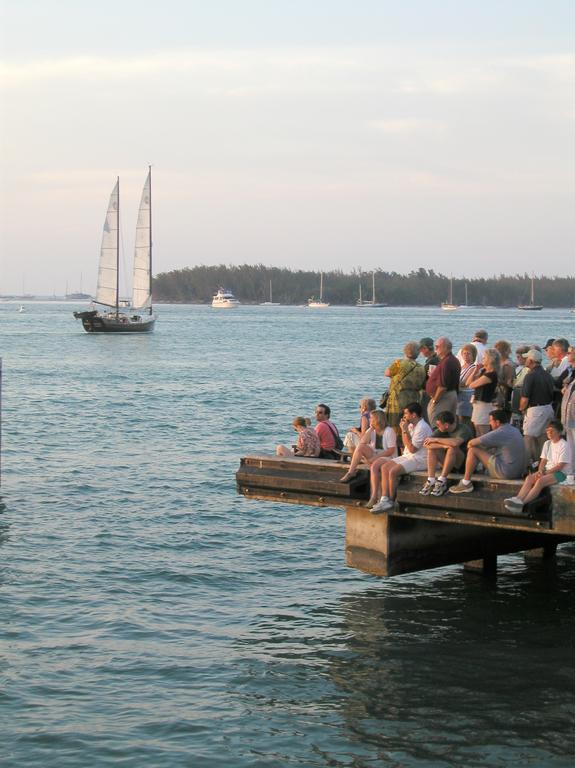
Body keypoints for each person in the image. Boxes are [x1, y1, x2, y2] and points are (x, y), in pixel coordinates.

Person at [369, 402, 433, 512]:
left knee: (393, 471)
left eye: (406, 414)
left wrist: (404, 430)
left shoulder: (422, 427)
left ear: (414, 415)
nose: (404, 416)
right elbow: (406, 445)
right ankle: (384, 499)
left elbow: (413, 448)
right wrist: (404, 430)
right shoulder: (411, 425)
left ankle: (391, 501)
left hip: (420, 458)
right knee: (385, 467)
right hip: (408, 455)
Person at [449, 409, 525, 493]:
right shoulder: (514, 430)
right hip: (518, 472)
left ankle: (465, 483)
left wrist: (472, 447)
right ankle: (477, 470)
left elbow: (471, 443)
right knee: (485, 449)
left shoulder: (500, 432)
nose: (489, 423)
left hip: (506, 472)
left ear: (497, 422)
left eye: (491, 421)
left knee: (473, 450)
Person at [504, 420, 573, 512]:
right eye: (548, 430)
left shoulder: (564, 445)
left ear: (559, 432)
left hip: (561, 474)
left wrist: (544, 473)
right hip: (547, 471)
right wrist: (540, 471)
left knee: (540, 481)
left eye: (552, 431)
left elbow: (560, 466)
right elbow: (543, 461)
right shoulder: (547, 444)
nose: (549, 433)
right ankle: (518, 499)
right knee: (529, 478)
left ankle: (521, 504)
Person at [418, 411, 474, 496]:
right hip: (448, 462)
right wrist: (444, 446)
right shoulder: (440, 430)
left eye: (439, 425)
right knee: (432, 450)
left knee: (452, 448)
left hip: (462, 464)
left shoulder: (463, 429)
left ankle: (442, 480)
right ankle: (431, 479)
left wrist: (437, 440)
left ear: (446, 425)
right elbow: (426, 444)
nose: (437, 427)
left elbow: (456, 443)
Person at [519, 349, 555, 466]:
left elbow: (525, 398)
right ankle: (542, 465)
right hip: (548, 408)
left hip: (535, 410)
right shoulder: (547, 375)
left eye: (526, 358)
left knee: (528, 438)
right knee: (542, 439)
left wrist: (521, 409)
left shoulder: (530, 376)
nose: (525, 360)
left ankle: (525, 466)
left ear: (531, 360)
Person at [339, 410, 397, 482]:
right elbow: (363, 442)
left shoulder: (389, 431)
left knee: (374, 463)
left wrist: (375, 457)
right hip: (375, 454)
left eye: (371, 418)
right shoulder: (372, 430)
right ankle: (351, 472)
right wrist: (371, 429)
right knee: (361, 447)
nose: (369, 419)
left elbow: (391, 451)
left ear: (377, 419)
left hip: (388, 457)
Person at [384, 341, 426, 433]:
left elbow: (386, 373)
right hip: (412, 402)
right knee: (409, 427)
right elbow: (423, 385)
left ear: (405, 351)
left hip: (397, 401)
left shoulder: (399, 363)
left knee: (394, 426)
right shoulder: (421, 368)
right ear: (418, 353)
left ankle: (396, 445)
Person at [426, 337, 461, 426]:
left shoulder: (447, 362)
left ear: (445, 348)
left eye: (437, 347)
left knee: (438, 424)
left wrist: (435, 400)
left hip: (443, 397)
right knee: (447, 424)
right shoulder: (452, 360)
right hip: (449, 395)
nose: (435, 349)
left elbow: (442, 386)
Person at [469, 348, 501, 437]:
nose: (482, 359)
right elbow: (468, 382)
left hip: (484, 405)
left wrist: (476, 374)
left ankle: (486, 450)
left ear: (490, 359)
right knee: (477, 431)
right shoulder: (484, 371)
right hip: (477, 404)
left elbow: (472, 385)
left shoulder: (491, 375)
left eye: (484, 357)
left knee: (483, 432)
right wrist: (475, 370)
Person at [560, 345, 575, 463]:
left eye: (570, 353)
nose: (568, 354)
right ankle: (570, 470)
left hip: (572, 414)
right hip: (568, 414)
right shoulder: (570, 370)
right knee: (570, 445)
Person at [456, 343, 478, 424]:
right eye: (464, 353)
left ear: (473, 355)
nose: (466, 355)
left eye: (468, 353)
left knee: (464, 420)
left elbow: (465, 383)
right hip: (460, 395)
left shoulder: (473, 367)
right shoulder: (462, 366)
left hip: (466, 396)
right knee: (459, 418)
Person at [419, 337, 439, 421]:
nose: (420, 352)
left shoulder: (432, 361)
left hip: (428, 393)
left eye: (421, 349)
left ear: (426, 348)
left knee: (426, 416)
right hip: (432, 392)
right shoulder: (434, 359)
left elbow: (429, 379)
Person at [494, 339, 515, 411]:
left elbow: (510, 384)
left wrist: (496, 380)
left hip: (503, 396)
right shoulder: (500, 362)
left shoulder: (508, 364)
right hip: (498, 394)